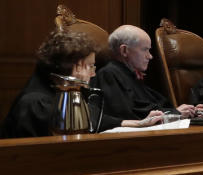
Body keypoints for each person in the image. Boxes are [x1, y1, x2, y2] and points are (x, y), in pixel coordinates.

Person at [2, 31, 162, 138]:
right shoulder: (37, 103)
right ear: (75, 66)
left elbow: (93, 117)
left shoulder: (61, 90)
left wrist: (138, 123)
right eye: (90, 66)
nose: (93, 73)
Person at [91, 25, 203, 120]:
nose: (150, 56)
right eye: (145, 49)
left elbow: (154, 106)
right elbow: (128, 115)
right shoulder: (109, 74)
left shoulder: (130, 75)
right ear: (124, 50)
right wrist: (174, 113)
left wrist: (190, 110)